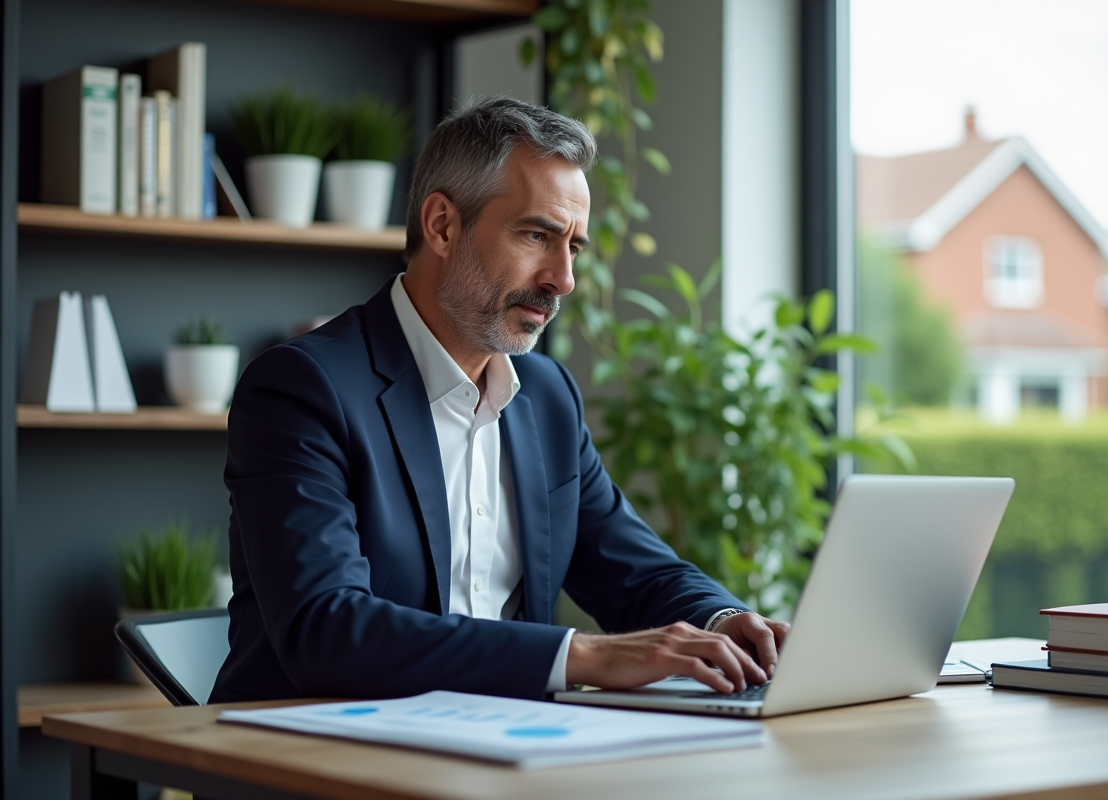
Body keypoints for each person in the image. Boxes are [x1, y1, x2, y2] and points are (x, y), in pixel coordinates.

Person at [210, 97, 789, 704]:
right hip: (311, 760)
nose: (562, 279)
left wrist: (728, 625)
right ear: (442, 225)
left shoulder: (546, 397)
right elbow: (325, 630)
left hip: (500, 751)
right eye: (538, 235)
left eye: (574, 247)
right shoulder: (303, 387)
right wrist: (582, 655)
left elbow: (636, 571)